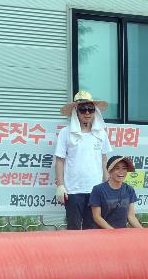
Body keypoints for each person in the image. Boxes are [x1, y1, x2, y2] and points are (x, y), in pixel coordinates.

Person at [54, 91, 112, 230]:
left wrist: (107, 186)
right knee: (73, 227)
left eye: (90, 109)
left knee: (92, 228)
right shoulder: (65, 133)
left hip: (95, 190)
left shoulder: (101, 133)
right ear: (76, 111)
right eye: (83, 109)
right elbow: (60, 160)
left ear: (95, 111)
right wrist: (60, 186)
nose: (87, 113)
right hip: (73, 190)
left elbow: (104, 160)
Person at [90, 156, 142, 229]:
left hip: (122, 234)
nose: (121, 172)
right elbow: (97, 217)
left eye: (124, 168)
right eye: (117, 168)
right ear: (110, 170)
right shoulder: (98, 189)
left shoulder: (129, 189)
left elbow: (131, 216)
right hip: (102, 234)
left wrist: (142, 231)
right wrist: (113, 231)